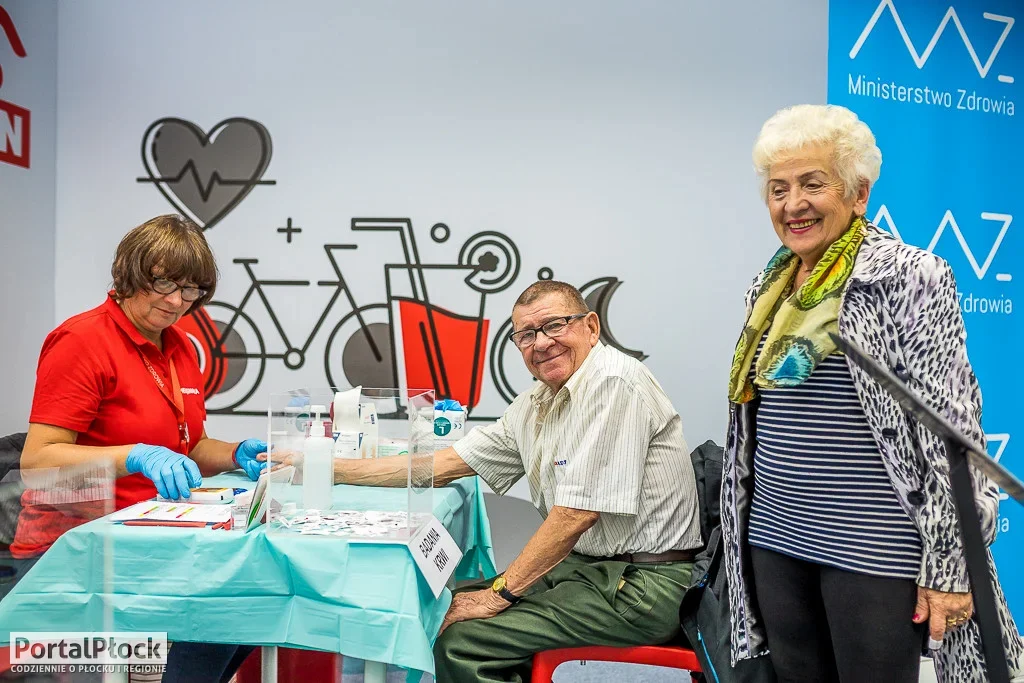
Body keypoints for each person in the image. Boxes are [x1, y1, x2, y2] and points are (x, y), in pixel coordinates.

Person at [720, 104, 1024, 682]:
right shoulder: (769, 286)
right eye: (779, 189)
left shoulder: (908, 275)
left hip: (873, 546)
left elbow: (952, 431)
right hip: (776, 537)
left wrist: (951, 565)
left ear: (858, 194)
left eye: (813, 184)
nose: (793, 204)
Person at [325, 280, 702, 682]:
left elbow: (575, 515)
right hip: (591, 569)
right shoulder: (538, 402)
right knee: (440, 609)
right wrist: (326, 468)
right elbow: (445, 463)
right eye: (526, 335)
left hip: (644, 586)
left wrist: (498, 595)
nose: (541, 343)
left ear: (591, 327)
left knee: (461, 642)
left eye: (555, 325)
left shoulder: (613, 382)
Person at [12, 214, 268, 683]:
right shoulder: (82, 340)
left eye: (190, 290)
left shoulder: (180, 346)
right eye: (164, 283)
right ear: (128, 274)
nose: (175, 301)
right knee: (216, 616)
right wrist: (134, 455)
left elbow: (188, 447)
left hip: (150, 537)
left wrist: (234, 454)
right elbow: (38, 460)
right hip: (77, 545)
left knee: (252, 597)